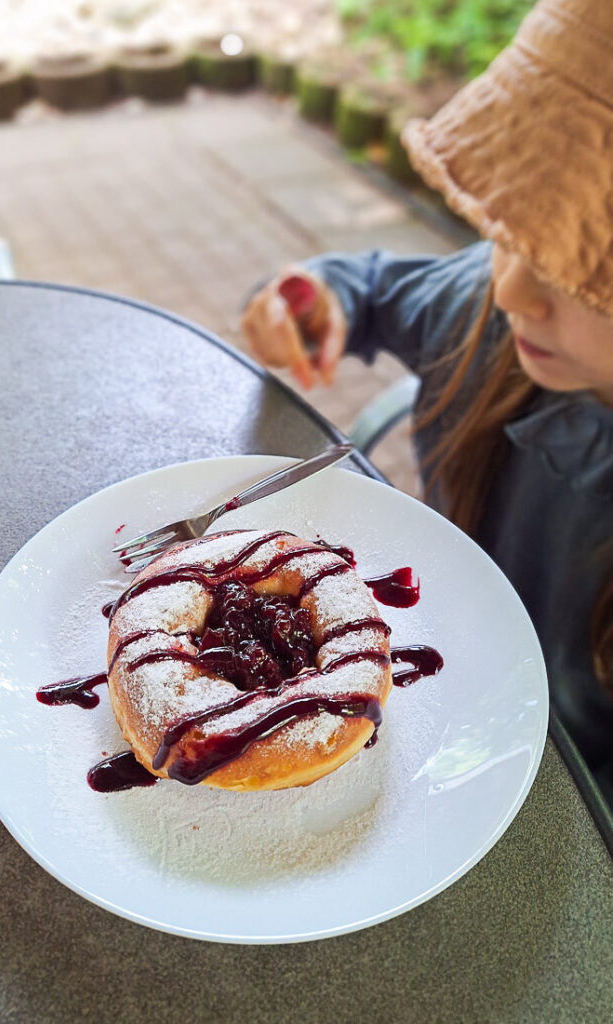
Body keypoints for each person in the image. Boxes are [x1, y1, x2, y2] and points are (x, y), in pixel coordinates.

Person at [240, 0, 613, 800]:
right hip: (428, 688)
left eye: (577, 267)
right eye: (509, 231)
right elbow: (372, 287)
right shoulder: (478, 308)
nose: (511, 288)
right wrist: (318, 299)